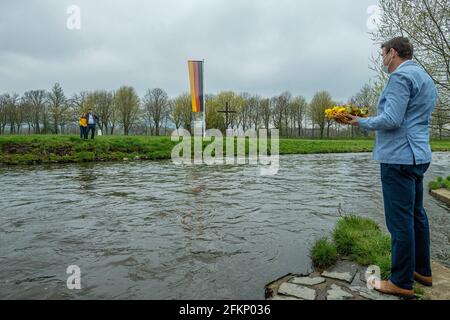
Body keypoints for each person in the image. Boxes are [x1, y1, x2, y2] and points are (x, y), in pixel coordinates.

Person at [349, 37, 438, 298]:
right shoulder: (425, 78)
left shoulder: (400, 78)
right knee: (416, 216)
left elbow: (392, 119)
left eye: (383, 54)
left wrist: (360, 122)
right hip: (418, 155)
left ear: (393, 53)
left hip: (398, 157)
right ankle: (422, 270)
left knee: (400, 223)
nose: (382, 59)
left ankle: (400, 282)